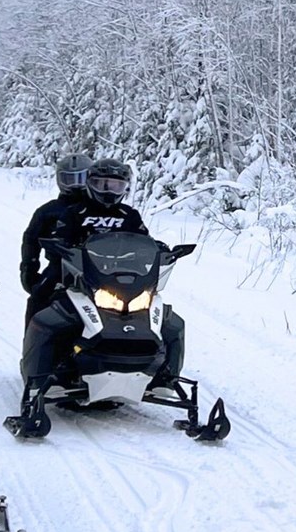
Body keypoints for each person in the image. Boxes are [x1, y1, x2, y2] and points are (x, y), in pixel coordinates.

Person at [11, 157, 187, 434]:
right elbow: (58, 236)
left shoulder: (129, 216)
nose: (108, 190)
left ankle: (165, 376)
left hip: (119, 277)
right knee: (43, 304)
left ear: (125, 188)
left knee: (169, 321)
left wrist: (161, 250)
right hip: (73, 275)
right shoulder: (74, 212)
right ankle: (39, 371)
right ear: (90, 184)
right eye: (102, 184)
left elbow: (143, 240)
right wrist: (56, 251)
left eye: (115, 185)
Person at [19, 153, 91, 323]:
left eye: (81, 178)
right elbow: (30, 239)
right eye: (69, 179)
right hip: (61, 269)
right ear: (60, 180)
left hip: (100, 271)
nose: (76, 185)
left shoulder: (101, 209)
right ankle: (34, 345)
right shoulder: (49, 211)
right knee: (38, 299)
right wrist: (29, 268)